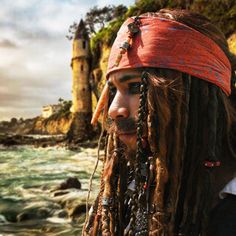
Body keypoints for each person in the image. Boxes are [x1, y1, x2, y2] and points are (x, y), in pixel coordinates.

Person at [83, 9, 236, 236]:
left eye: (137, 87)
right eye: (113, 90)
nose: (114, 110)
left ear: (194, 96)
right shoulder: (125, 189)